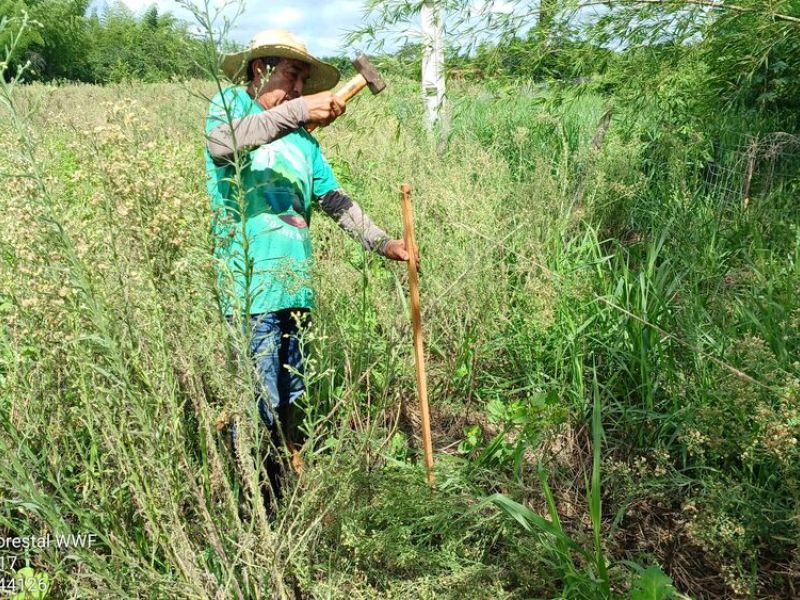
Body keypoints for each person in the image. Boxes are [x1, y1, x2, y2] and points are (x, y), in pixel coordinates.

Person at [204, 29, 416, 504]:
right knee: (256, 400)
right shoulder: (230, 108)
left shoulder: (304, 144)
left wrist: (384, 244)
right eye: (292, 75)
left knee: (291, 395)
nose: (299, 87)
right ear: (260, 70)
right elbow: (221, 146)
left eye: (303, 80)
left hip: (295, 291)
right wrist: (298, 111)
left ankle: (282, 484)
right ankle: (253, 504)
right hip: (250, 288)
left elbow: (334, 200)